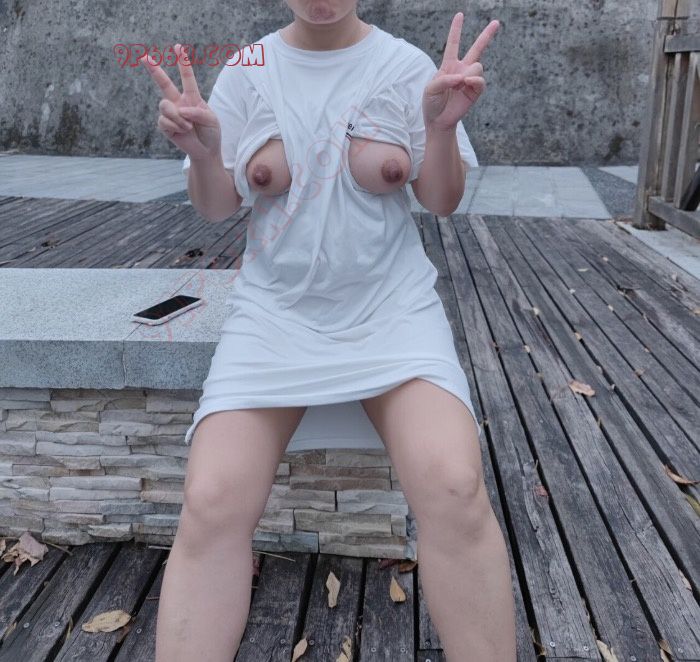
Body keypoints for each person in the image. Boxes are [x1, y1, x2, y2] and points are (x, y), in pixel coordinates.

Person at [143, 2, 516, 659]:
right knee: (210, 499)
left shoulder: (404, 65)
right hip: (275, 315)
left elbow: (441, 200)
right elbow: (217, 205)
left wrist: (441, 127)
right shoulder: (250, 67)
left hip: (391, 312)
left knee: (455, 486)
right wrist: (203, 155)